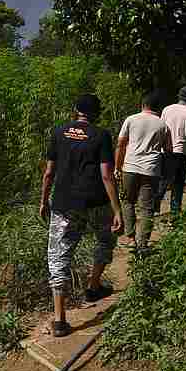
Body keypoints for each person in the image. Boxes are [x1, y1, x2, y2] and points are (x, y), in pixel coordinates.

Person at [40, 94, 123, 338]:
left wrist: (44, 201)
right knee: (106, 238)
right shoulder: (101, 135)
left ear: (75, 110)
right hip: (95, 202)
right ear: (97, 113)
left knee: (58, 255)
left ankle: (59, 320)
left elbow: (48, 173)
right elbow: (107, 175)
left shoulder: (58, 132)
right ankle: (93, 285)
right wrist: (117, 209)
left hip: (64, 203)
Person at [115, 89, 171, 255]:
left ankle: (131, 239)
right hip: (152, 169)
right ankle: (143, 243)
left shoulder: (131, 119)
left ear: (142, 104)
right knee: (147, 208)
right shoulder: (163, 124)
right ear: (158, 108)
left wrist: (117, 167)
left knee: (127, 201)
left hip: (130, 167)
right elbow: (168, 150)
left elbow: (121, 144)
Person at [158, 86, 186, 215]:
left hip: (165, 150)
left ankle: (152, 207)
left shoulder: (167, 109)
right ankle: (175, 212)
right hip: (181, 151)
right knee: (177, 183)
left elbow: (161, 127)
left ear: (179, 96)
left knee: (163, 180)